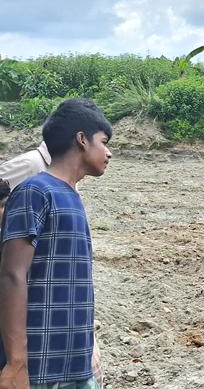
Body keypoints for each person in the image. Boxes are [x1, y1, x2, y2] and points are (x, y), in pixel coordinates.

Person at [0, 99, 113, 389]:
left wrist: (89, 350)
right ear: (82, 140)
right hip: (42, 368)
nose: (109, 152)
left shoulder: (71, 195)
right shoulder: (35, 191)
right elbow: (13, 275)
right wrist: (16, 364)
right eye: (104, 142)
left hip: (74, 365)